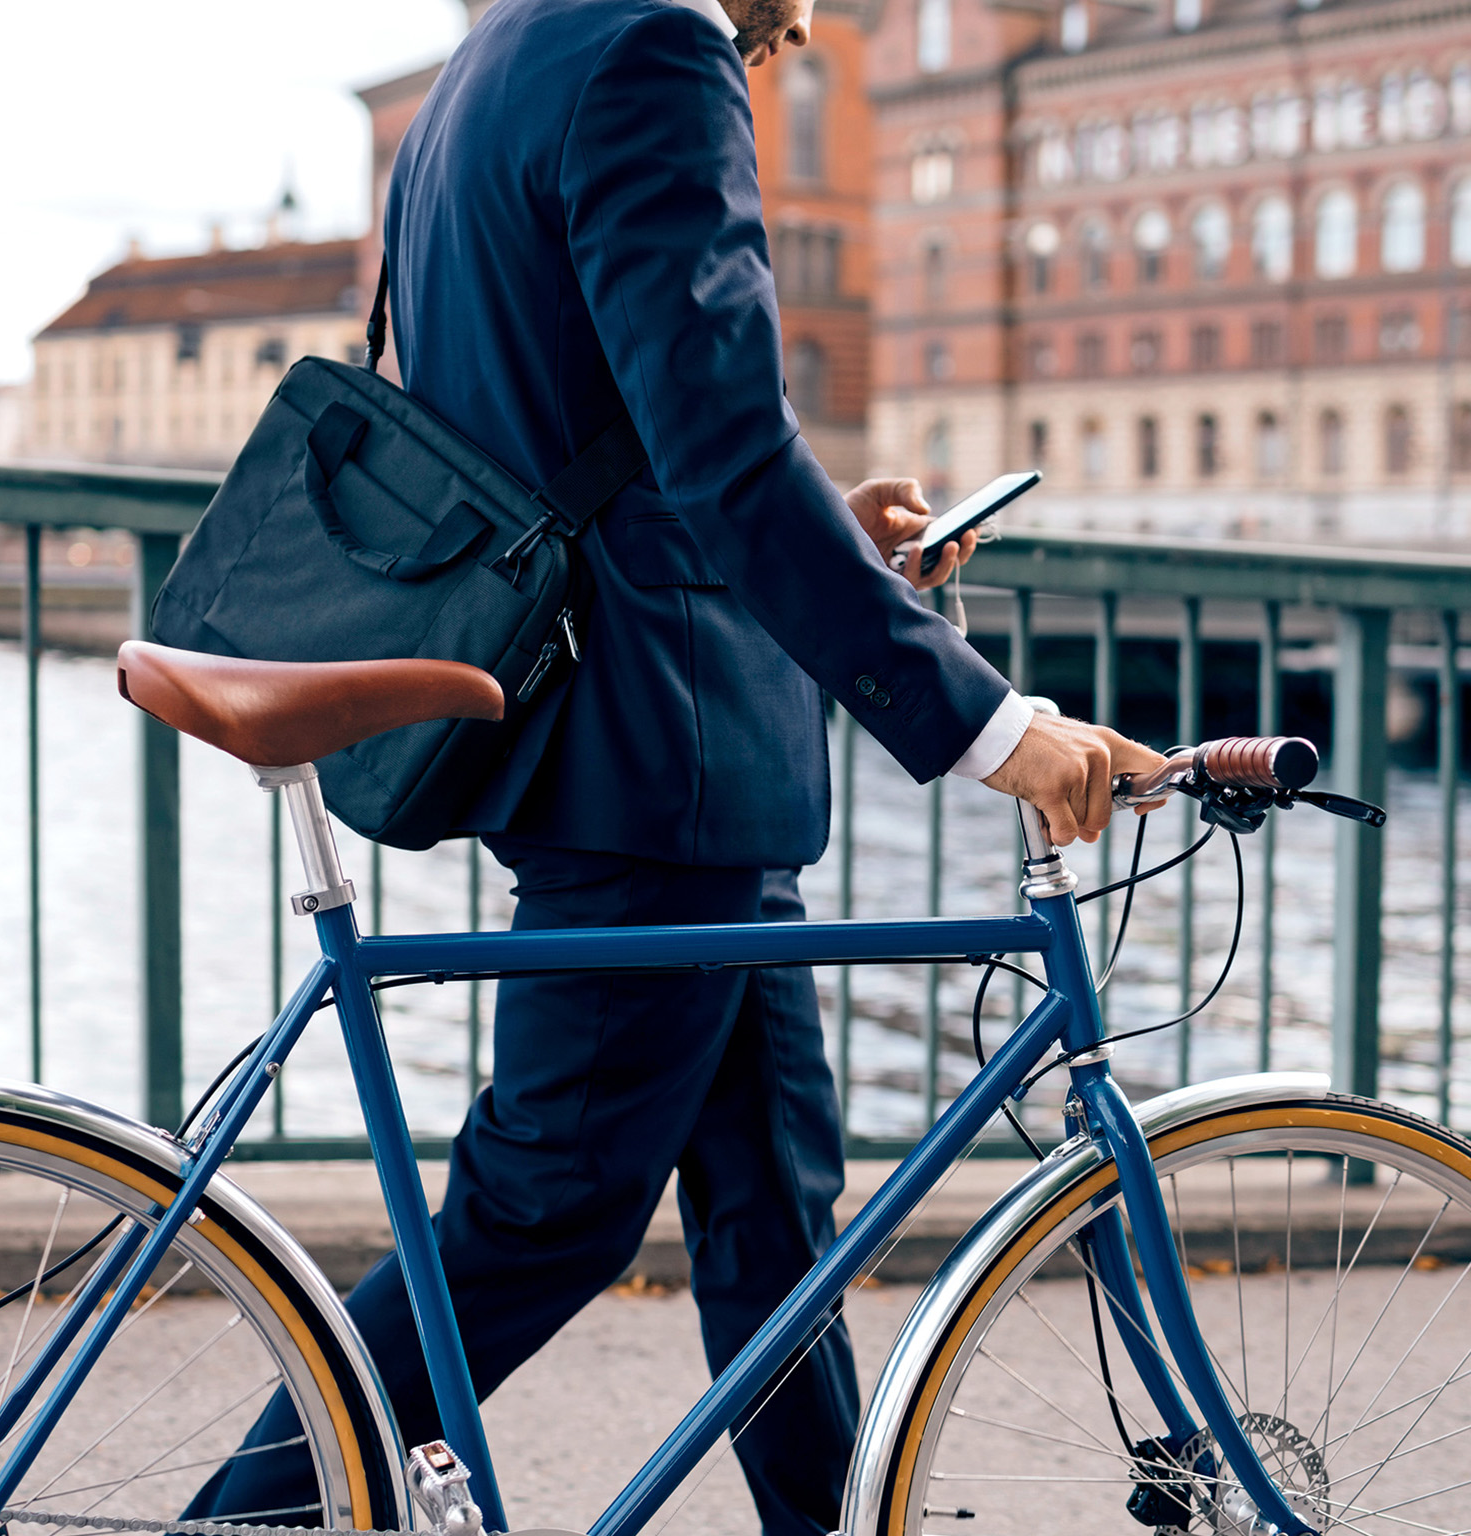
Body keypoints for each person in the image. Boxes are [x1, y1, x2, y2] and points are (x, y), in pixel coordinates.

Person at [187, 0, 1164, 1530]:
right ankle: (234, 1523)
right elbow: (716, 444)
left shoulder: (502, 51)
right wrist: (994, 726)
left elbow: (576, 419)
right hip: (654, 766)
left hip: (666, 753)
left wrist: (817, 528)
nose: (814, 20)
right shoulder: (653, 44)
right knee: (542, 1218)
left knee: (778, 1228)